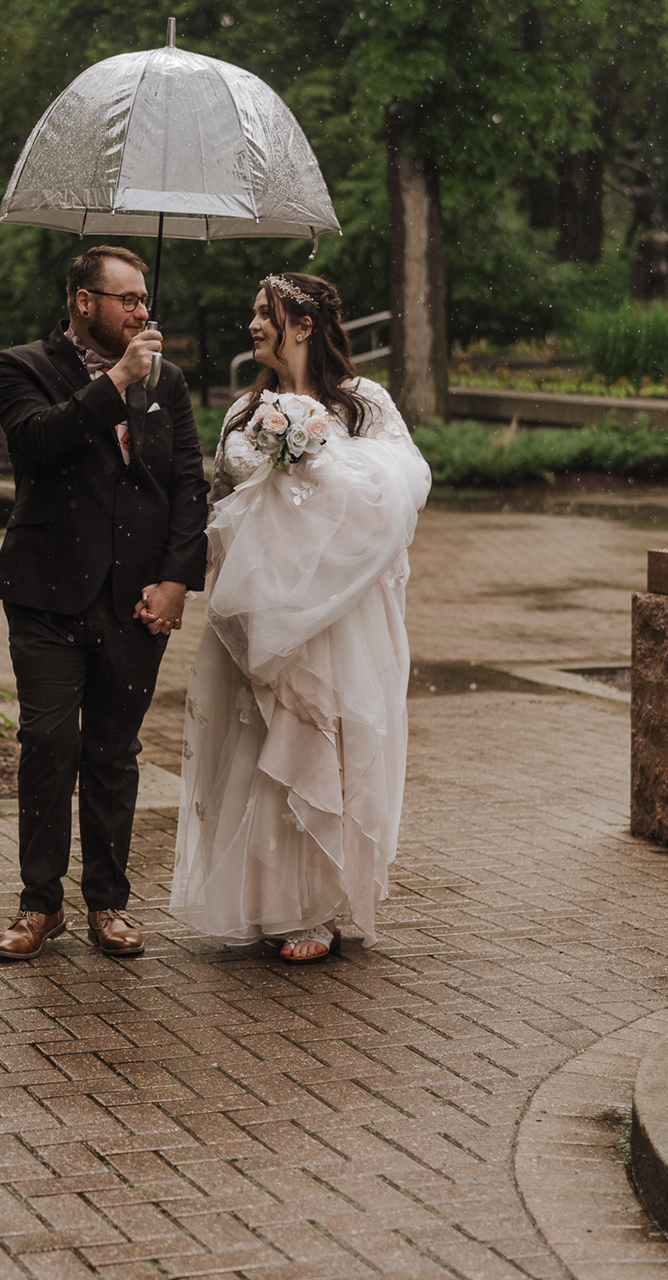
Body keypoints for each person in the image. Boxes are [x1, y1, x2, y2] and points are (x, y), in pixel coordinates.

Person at [170, 272, 431, 962]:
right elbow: (219, 502)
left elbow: (399, 491)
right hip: (263, 611)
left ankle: (318, 907)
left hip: (338, 615)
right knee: (261, 750)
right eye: (254, 313)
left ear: (305, 324)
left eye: (267, 313)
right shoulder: (244, 411)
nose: (254, 325)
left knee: (324, 743)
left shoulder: (361, 403)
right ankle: (273, 905)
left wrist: (314, 461)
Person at [0, 245, 210, 961]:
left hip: (133, 601)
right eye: (127, 299)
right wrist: (117, 380)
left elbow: (187, 482)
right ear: (85, 302)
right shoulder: (20, 367)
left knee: (115, 752)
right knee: (49, 744)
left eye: (145, 299)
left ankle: (109, 903)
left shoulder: (168, 381)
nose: (142, 311)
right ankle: (39, 904)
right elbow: (41, 441)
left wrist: (176, 580)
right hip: (46, 595)